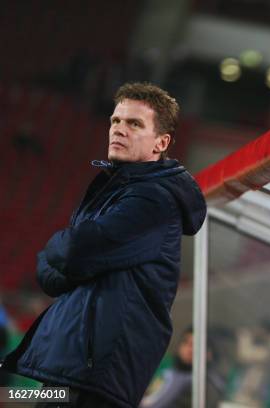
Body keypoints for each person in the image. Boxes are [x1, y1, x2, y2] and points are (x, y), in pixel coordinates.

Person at [0, 82, 207, 408]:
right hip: (71, 372)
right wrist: (70, 254)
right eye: (116, 121)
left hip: (96, 377)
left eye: (135, 124)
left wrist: (61, 245)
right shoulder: (114, 192)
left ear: (161, 143)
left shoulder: (154, 200)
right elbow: (51, 277)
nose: (120, 130)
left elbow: (72, 252)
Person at [139, 326, 194, 408]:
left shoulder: (194, 380)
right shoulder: (169, 371)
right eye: (186, 343)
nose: (189, 349)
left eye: (194, 345)